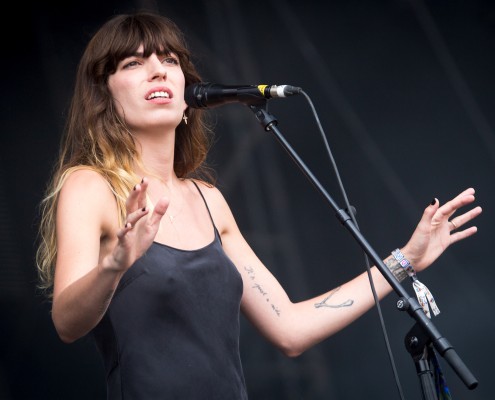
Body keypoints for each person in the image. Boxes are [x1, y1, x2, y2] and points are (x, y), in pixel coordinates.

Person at [35, 10, 482, 400]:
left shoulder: (210, 201)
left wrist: (404, 260)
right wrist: (116, 263)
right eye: (133, 63)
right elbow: (65, 323)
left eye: (169, 60)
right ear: (105, 97)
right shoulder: (90, 187)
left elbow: (290, 329)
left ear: (189, 97)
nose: (158, 71)